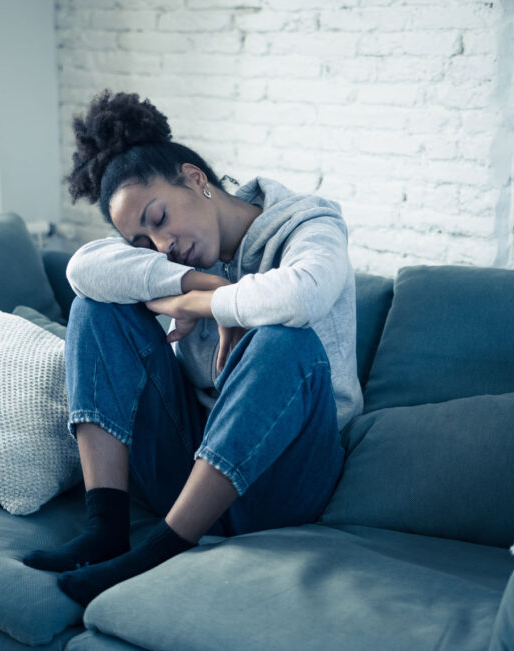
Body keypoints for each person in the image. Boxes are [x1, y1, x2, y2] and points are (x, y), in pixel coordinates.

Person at [22, 90, 362, 607]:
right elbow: (82, 269)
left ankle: (156, 552)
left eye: (158, 219)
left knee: (283, 338)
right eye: (142, 243)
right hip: (188, 471)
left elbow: (301, 293)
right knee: (97, 305)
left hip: (286, 481)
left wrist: (211, 304)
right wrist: (191, 280)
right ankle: (107, 529)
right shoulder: (172, 261)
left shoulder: (308, 224)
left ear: (196, 178)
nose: (160, 246)